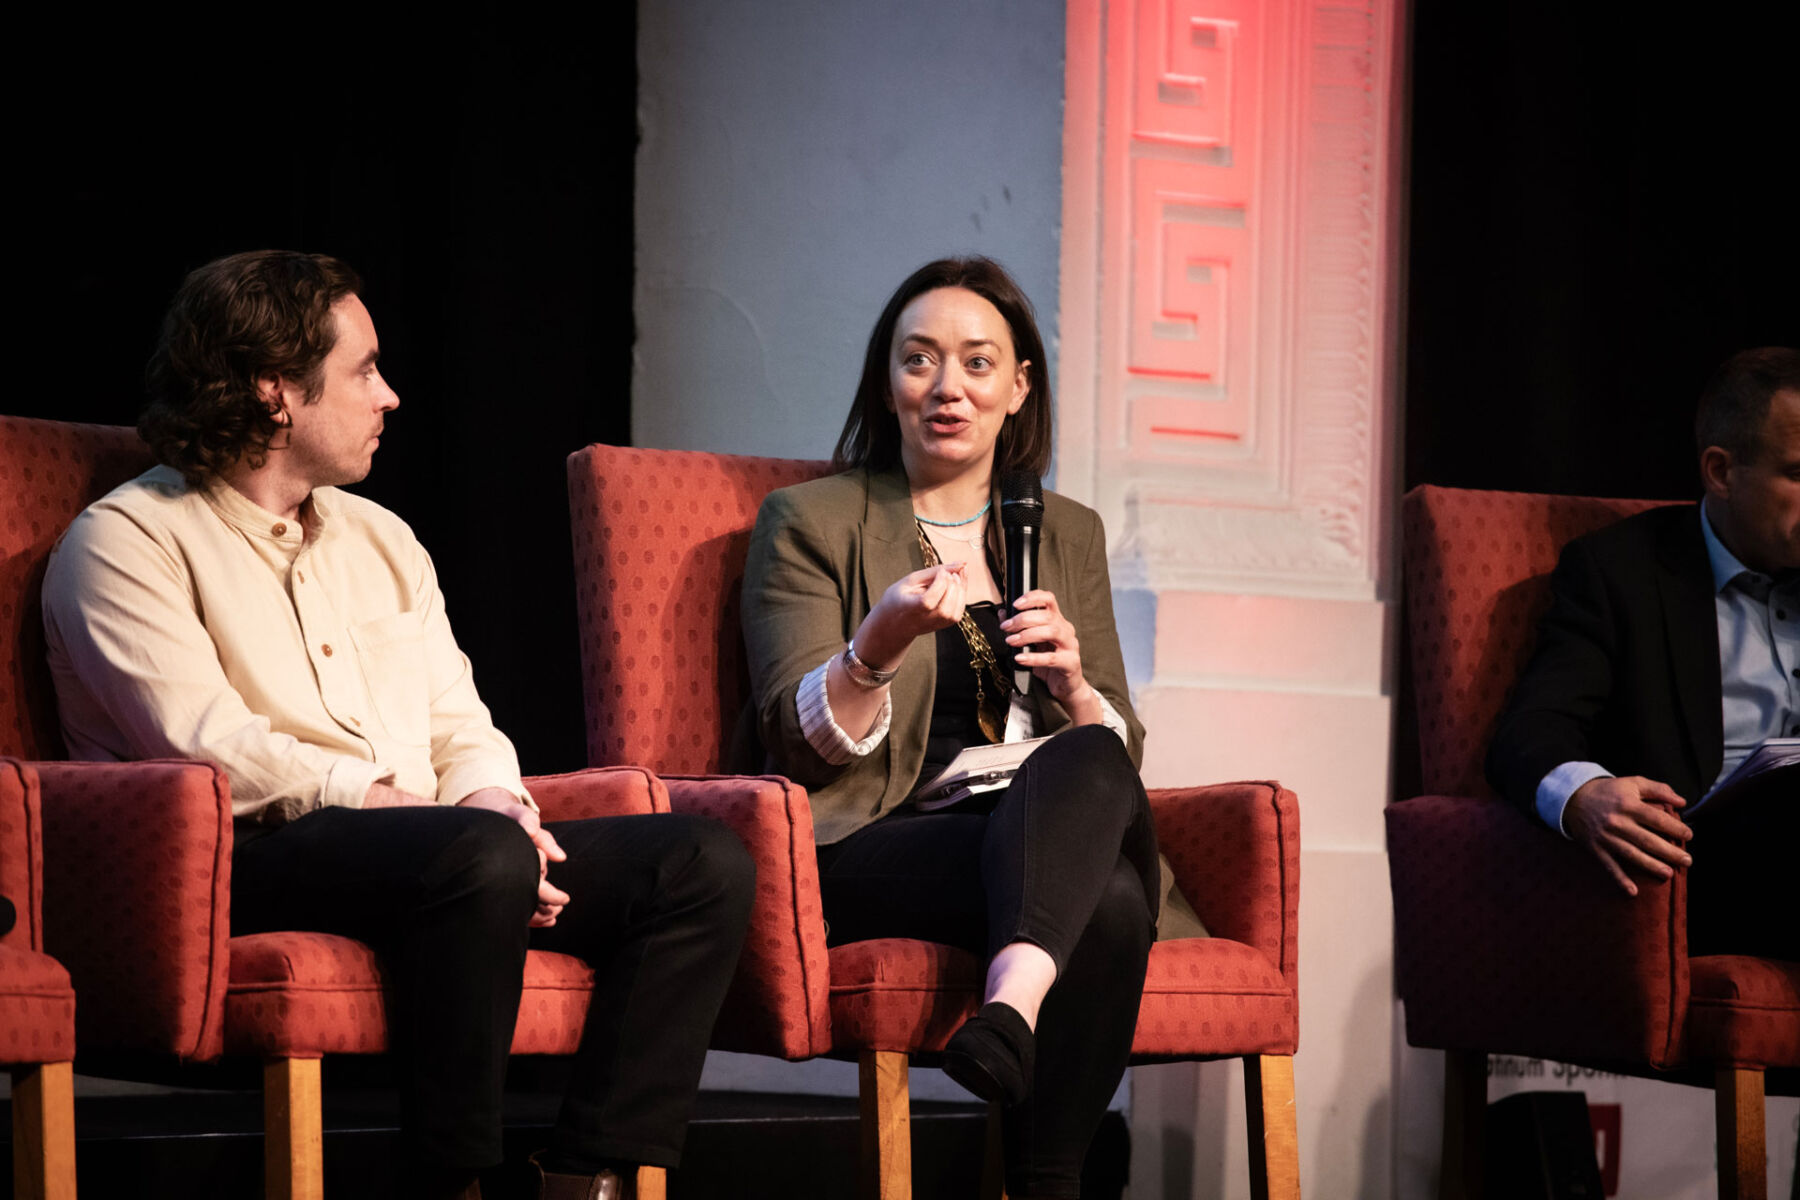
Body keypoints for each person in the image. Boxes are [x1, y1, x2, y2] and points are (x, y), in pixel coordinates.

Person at [42, 250, 754, 1200]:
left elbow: (459, 721)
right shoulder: (127, 542)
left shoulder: (384, 541)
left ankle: (588, 1178)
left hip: (431, 844)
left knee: (697, 863)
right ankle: (451, 1181)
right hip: (241, 859)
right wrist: (400, 808)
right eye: (364, 370)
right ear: (275, 393)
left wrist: (501, 803)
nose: (391, 396)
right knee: (474, 856)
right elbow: (202, 743)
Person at [739, 256, 1196, 1200]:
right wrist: (879, 640)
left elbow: (1121, 753)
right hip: (884, 839)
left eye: (978, 364)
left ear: (1018, 386)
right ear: (888, 381)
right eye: (920, 361)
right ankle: (1036, 1124)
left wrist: (1073, 685)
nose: (949, 387)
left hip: (1045, 819)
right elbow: (793, 738)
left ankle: (1009, 1015)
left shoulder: (1065, 531)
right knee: (1108, 896)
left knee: (1090, 768)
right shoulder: (811, 521)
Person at [1486, 345, 1798, 960]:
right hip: (1712, 869)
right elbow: (1531, 731)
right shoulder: (1620, 574)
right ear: (1721, 471)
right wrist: (1585, 795)